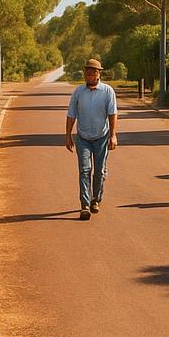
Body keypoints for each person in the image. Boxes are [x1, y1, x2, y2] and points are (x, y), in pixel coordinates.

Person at [65, 58, 118, 221]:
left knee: (100, 171)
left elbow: (112, 114)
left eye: (93, 72)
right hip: (83, 138)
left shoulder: (108, 91)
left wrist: (113, 135)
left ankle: (96, 199)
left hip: (101, 137)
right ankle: (85, 205)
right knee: (85, 170)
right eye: (87, 72)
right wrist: (68, 135)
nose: (89, 75)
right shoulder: (78, 92)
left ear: (98, 74)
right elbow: (71, 114)